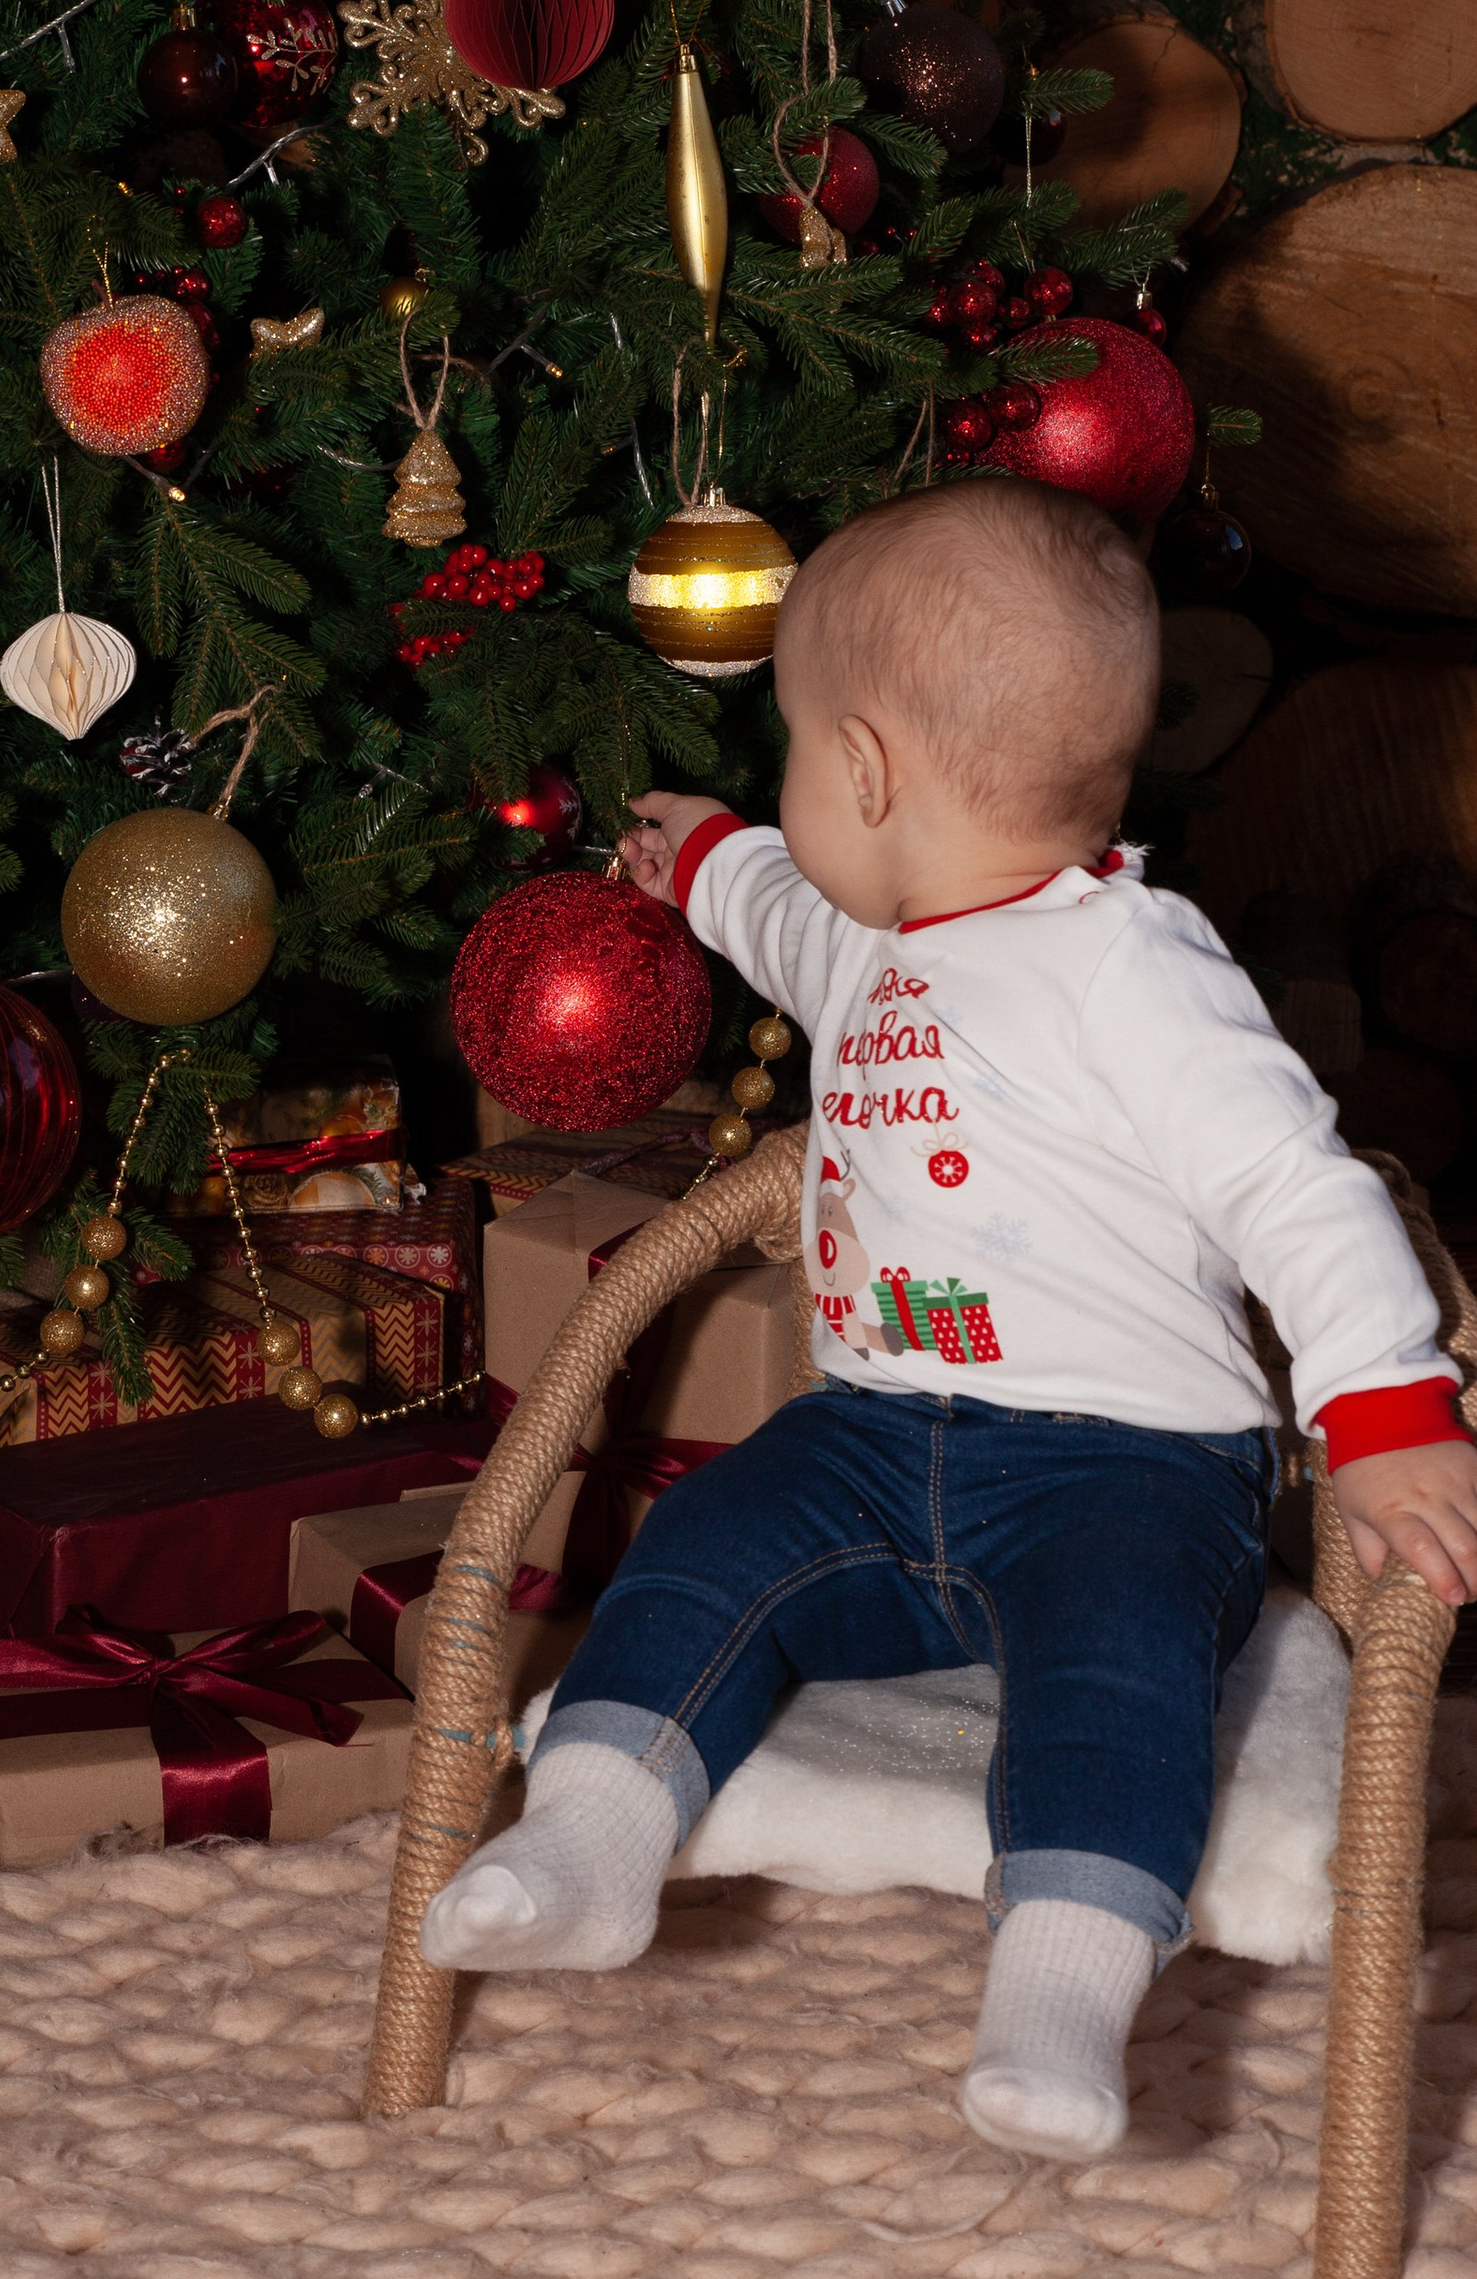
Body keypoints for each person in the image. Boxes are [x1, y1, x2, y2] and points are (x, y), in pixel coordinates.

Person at [423, 479, 1477, 2160]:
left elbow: (1301, 1184)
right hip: (868, 1438)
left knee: (1117, 1672)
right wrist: (701, 856)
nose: (791, 802)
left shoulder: (1137, 967)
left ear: (863, 771)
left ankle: (1059, 1992)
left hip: (1129, 1469)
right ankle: (594, 1840)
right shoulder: (877, 943)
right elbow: (777, 912)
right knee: (706, 1549)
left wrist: (1389, 1410)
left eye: (787, 760)